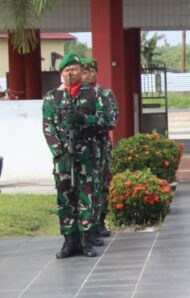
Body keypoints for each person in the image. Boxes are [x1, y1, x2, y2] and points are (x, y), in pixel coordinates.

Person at [42, 52, 112, 259]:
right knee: (65, 198)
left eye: (74, 69)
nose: (70, 73)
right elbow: (48, 127)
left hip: (86, 155)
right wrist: (58, 151)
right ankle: (69, 242)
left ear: (81, 71)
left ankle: (86, 241)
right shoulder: (52, 97)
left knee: (86, 197)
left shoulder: (94, 95)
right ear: (61, 73)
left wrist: (84, 118)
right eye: (66, 70)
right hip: (64, 157)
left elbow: (106, 121)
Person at [81, 58, 118, 244]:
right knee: (87, 186)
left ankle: (100, 221)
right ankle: (87, 224)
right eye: (84, 71)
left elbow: (111, 120)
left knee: (102, 184)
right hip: (84, 148)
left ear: (96, 72)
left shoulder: (106, 94)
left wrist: (88, 121)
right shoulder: (76, 96)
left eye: (91, 71)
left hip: (101, 147)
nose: (88, 75)